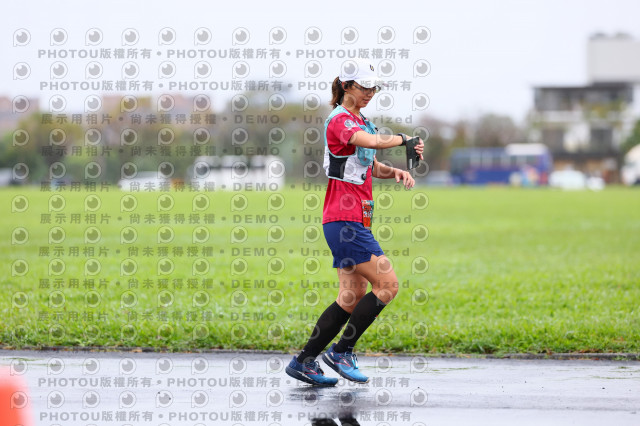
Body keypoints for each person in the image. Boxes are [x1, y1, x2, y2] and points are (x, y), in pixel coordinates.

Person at [286, 59, 425, 386]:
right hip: (344, 219)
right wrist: (403, 138)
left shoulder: (362, 122)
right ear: (347, 85)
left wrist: (396, 171)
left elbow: (370, 164)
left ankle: (304, 361)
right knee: (388, 285)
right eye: (364, 87)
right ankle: (341, 352)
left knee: (351, 295)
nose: (370, 93)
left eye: (374, 88)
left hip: (353, 219)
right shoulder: (340, 120)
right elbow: (371, 143)